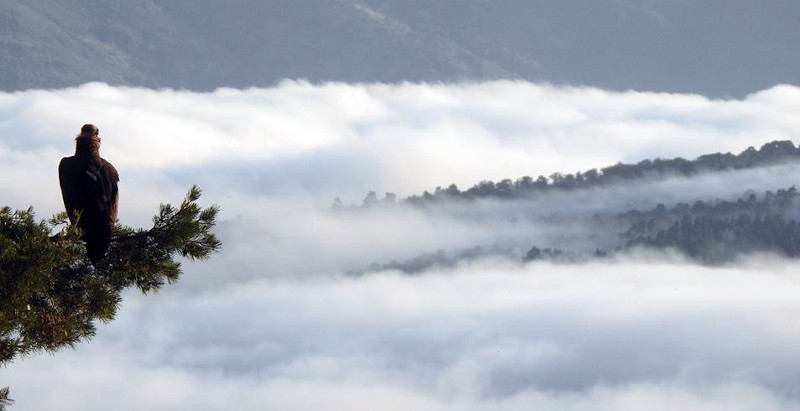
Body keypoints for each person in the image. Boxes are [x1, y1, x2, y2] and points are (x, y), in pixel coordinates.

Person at [58, 124, 120, 263]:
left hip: (89, 228)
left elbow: (70, 201)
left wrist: (79, 228)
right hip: (104, 230)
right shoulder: (110, 169)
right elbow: (113, 206)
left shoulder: (68, 166)